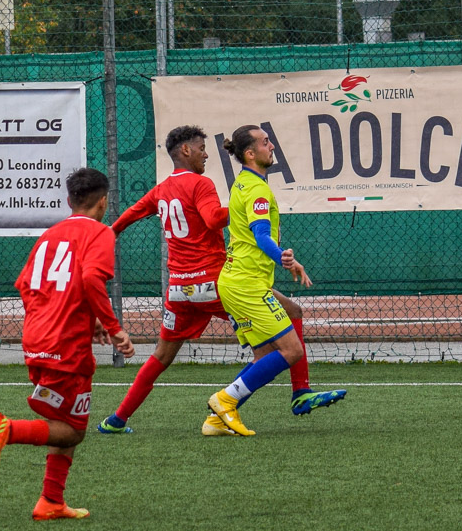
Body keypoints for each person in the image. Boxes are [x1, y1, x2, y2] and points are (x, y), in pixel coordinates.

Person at [101, 125, 345, 435]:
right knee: (273, 350)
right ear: (186, 150)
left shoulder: (161, 189)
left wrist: (109, 233)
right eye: (201, 148)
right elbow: (213, 218)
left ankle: (117, 419)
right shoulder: (201, 183)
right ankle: (235, 403)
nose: (205, 154)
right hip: (215, 284)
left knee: (161, 357)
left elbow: (132, 213)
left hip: (178, 289)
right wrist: (240, 210)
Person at [0, 167, 133, 520]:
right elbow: (91, 278)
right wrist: (113, 328)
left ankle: (50, 501)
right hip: (67, 347)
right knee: (74, 431)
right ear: (104, 202)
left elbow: (26, 287)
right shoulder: (100, 232)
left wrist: (81, 320)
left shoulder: (50, 235)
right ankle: (7, 429)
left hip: (37, 338)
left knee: (62, 421)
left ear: (69, 201)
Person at [207, 125, 350, 437]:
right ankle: (225, 400)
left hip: (237, 281)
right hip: (246, 284)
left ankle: (222, 418)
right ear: (250, 153)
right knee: (291, 351)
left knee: (276, 339)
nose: (271, 146)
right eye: (265, 142)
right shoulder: (257, 189)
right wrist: (285, 259)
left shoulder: (243, 182)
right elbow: (261, 236)